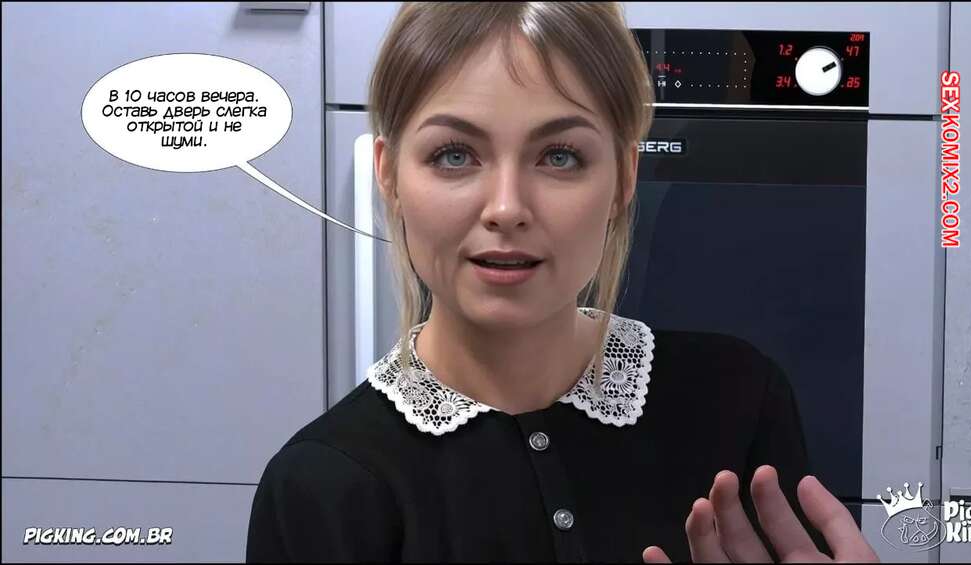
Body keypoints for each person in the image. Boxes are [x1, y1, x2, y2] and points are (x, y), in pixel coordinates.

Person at [246, 3, 880, 563]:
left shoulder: (739, 397)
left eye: (559, 156)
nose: (506, 208)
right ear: (388, 175)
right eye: (454, 155)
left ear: (624, 177)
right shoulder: (319, 488)